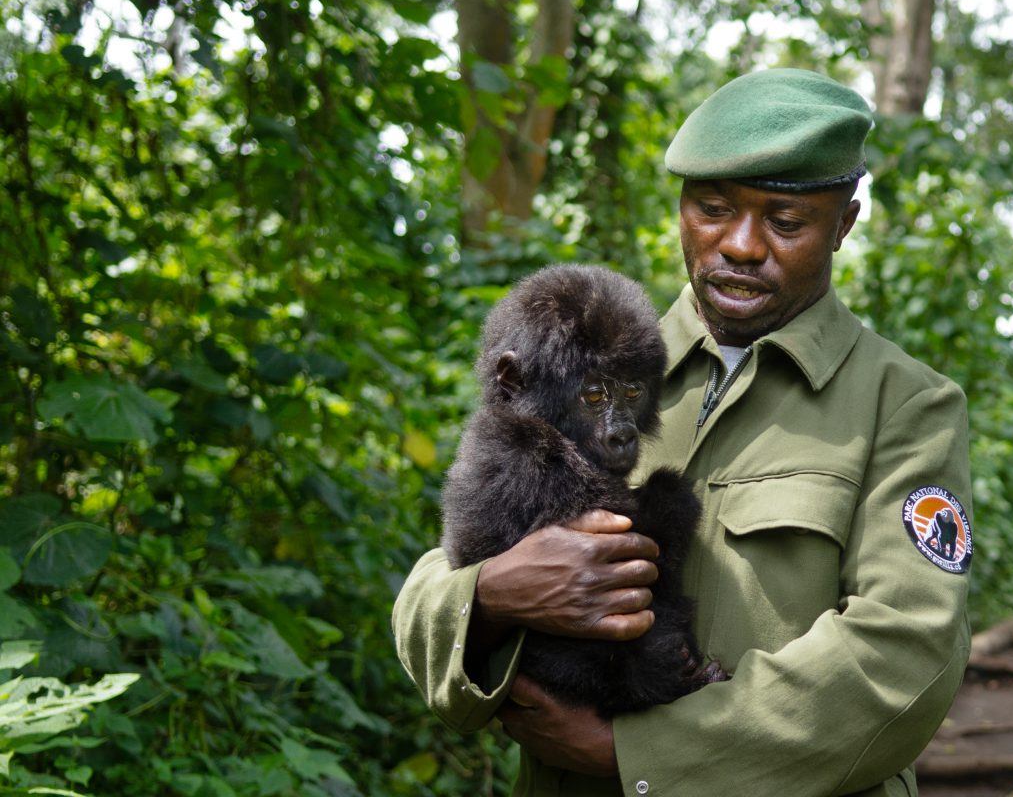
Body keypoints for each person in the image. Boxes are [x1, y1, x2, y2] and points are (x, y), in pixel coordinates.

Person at [392, 68, 973, 796]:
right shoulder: (593, 348)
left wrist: (638, 755)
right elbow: (441, 569)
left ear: (844, 223)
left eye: (785, 222)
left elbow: (906, 656)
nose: (739, 245)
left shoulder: (903, 405)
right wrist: (493, 595)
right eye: (712, 208)